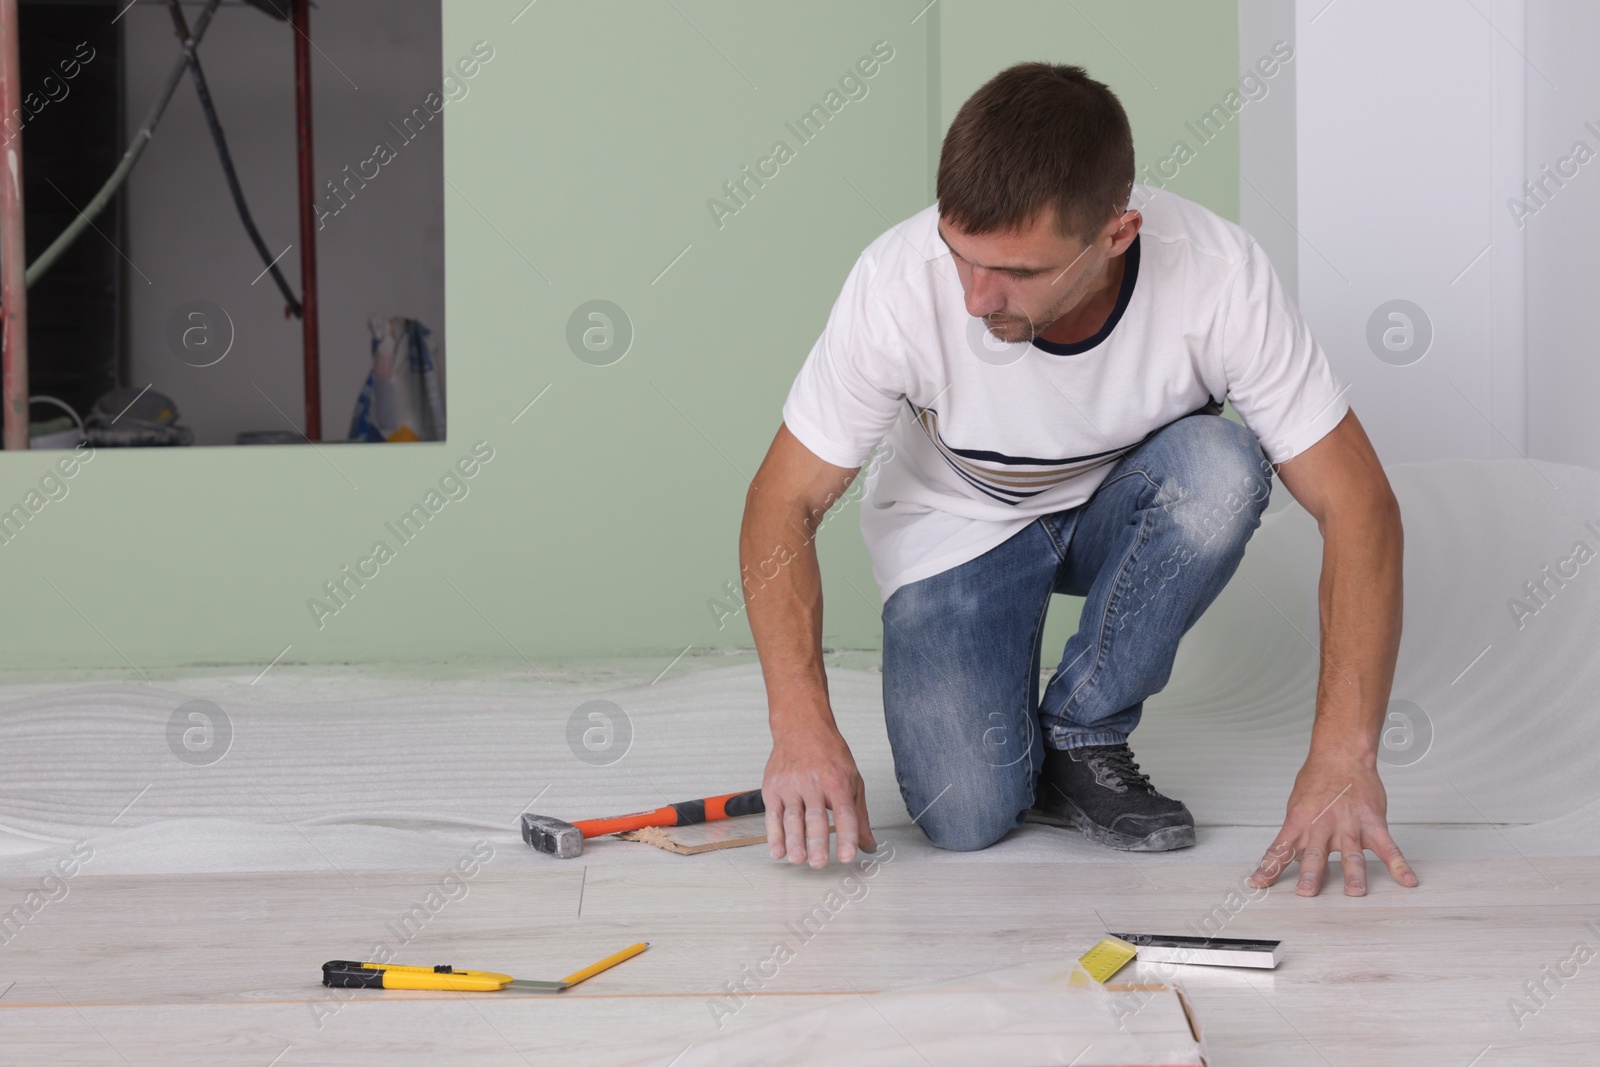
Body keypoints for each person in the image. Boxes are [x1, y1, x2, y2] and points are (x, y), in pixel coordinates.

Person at [741, 62, 1418, 898]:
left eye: (1020, 273)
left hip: (1120, 510)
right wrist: (799, 721)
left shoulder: (1217, 275)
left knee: (1221, 468)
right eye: (962, 257)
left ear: (1116, 236)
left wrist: (1343, 755)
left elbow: (1362, 505)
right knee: (965, 818)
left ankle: (1082, 728)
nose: (976, 299)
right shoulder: (895, 285)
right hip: (958, 526)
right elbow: (782, 501)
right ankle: (1003, 723)